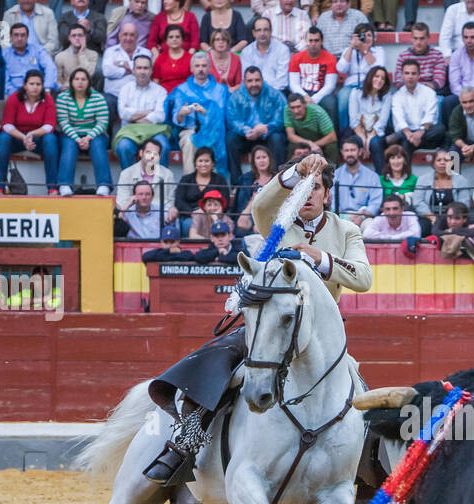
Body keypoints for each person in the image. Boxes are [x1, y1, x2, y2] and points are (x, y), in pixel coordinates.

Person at [143, 152, 372, 485]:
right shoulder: (277, 223)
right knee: (222, 364)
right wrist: (296, 171)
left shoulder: (346, 230)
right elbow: (260, 207)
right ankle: (185, 441)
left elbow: (364, 278)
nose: (309, 195)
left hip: (322, 334)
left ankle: (351, 479)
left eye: (316, 188)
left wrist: (319, 257)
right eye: (304, 190)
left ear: (327, 194)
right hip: (273, 323)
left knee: (360, 397)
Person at [0, 69, 59, 195]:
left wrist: (32, 134)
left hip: (38, 138)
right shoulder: (15, 98)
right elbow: (6, 124)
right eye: (31, 84)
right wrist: (23, 137)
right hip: (17, 137)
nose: (35, 87)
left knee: (51, 139)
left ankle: (52, 188)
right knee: (2, 138)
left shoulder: (48, 99)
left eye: (38, 84)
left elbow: (50, 126)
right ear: (25, 85)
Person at [374, 60, 444, 172]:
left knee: (440, 129)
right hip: (407, 134)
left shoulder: (429, 93)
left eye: (413, 73)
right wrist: (409, 134)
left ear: (419, 75)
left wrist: (419, 133)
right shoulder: (397, 96)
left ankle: (450, 173)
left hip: (426, 133)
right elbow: (399, 118)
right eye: (407, 73)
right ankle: (405, 178)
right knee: (405, 141)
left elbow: (430, 116)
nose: (410, 77)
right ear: (402, 75)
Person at [167, 51, 230, 175]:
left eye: (204, 66)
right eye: (197, 66)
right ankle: (191, 183)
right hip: (190, 130)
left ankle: (216, 186)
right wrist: (181, 114)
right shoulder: (182, 90)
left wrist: (207, 113)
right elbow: (176, 119)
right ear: (191, 68)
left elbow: (224, 117)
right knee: (190, 142)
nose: (200, 69)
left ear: (210, 68)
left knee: (217, 141)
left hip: (214, 131)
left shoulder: (220, 90)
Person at [56, 67, 113, 196]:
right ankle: (64, 184)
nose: (80, 82)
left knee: (98, 145)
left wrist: (87, 138)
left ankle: (104, 185)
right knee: (69, 145)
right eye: (76, 79)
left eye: (83, 79)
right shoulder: (62, 98)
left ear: (89, 82)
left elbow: (103, 123)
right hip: (70, 134)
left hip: (95, 134)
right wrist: (77, 139)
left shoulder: (98, 97)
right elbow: (63, 122)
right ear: (71, 82)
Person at [227, 66, 286, 180]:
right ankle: (237, 182)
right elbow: (232, 120)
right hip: (246, 136)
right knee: (231, 138)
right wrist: (246, 131)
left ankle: (277, 180)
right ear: (244, 82)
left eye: (257, 80)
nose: (254, 84)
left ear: (262, 80)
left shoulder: (275, 95)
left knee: (277, 138)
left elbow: (281, 118)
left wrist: (266, 127)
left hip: (267, 135)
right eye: (250, 81)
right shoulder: (236, 97)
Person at [114, 55, 171, 171]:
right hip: (130, 131)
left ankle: (157, 183)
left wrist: (133, 117)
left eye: (146, 68)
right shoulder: (125, 89)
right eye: (139, 68)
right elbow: (123, 114)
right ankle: (131, 183)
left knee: (163, 146)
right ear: (134, 70)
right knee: (123, 147)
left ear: (151, 70)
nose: (142, 72)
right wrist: (148, 112)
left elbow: (160, 115)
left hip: (154, 131)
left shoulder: (160, 91)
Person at [337, 24, 386, 130]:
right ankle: (345, 132)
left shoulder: (378, 51)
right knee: (343, 98)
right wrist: (351, 47)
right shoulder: (349, 51)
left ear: (373, 38)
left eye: (369, 35)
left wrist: (365, 50)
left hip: (370, 85)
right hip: (351, 85)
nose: (366, 38)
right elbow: (341, 68)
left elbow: (378, 69)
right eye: (363, 36)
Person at [290, 26, 340, 126]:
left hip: (321, 93)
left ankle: (334, 137)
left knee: (331, 103)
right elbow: (293, 84)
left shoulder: (330, 58)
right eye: (310, 40)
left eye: (316, 40)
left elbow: (330, 85)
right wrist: (305, 97)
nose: (313, 44)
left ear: (322, 41)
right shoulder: (296, 58)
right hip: (302, 92)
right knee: (291, 102)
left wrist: (314, 99)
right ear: (305, 41)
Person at [176, 147, 231, 236]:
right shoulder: (186, 179)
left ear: (213, 163)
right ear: (195, 163)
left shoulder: (220, 180)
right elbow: (179, 201)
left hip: (214, 214)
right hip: (190, 215)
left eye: (207, 161)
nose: (203, 164)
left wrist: (210, 212)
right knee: (188, 224)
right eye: (200, 161)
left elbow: (225, 201)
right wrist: (192, 212)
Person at [115, 137, 177, 214]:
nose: (151, 156)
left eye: (155, 154)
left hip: (158, 217)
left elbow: (170, 203)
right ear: (141, 153)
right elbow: (122, 202)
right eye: (148, 152)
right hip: (133, 217)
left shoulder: (168, 174)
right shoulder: (126, 174)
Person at [332, 136, 383, 226]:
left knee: (370, 225)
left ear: (360, 151)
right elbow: (331, 202)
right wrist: (344, 217)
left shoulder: (372, 176)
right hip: (340, 217)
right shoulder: (335, 175)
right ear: (342, 152)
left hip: (364, 216)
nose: (349, 153)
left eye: (352, 150)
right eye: (346, 150)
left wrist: (362, 216)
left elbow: (375, 203)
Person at [392, 22, 448, 94]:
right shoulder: (403, 56)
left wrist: (419, 90)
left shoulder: (437, 55)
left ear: (428, 38)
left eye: (422, 38)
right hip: (407, 93)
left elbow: (439, 81)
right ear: (411, 38)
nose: (418, 42)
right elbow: (399, 82)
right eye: (415, 38)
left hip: (430, 93)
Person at [349, 67, 393, 159]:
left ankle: (380, 173)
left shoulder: (387, 96)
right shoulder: (356, 93)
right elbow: (353, 121)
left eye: (383, 78)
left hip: (376, 132)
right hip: (359, 131)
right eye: (376, 76)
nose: (379, 80)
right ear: (370, 77)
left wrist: (369, 140)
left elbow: (382, 122)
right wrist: (364, 139)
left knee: (375, 143)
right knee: (354, 144)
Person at [242, 17, 293, 92]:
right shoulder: (246, 52)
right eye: (259, 30)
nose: (262, 33)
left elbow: (282, 82)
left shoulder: (282, 50)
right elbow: (247, 79)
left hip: (276, 94)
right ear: (253, 33)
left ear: (271, 31)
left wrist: (267, 95)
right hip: (253, 92)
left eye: (265, 30)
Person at [284, 92, 339, 162]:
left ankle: (331, 169)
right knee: (291, 146)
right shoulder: (287, 110)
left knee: (331, 146)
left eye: (298, 107)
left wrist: (314, 145)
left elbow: (332, 136)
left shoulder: (318, 112)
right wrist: (310, 144)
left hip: (320, 139)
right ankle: (289, 169)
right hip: (303, 140)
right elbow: (291, 136)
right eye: (292, 108)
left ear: (305, 104)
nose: (296, 111)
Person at [235, 144, 277, 230]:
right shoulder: (245, 179)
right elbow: (240, 205)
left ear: (269, 159)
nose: (261, 161)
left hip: (271, 216)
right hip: (249, 216)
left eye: (264, 157)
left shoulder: (277, 178)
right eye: (258, 158)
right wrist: (254, 199)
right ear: (253, 162)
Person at [103, 22, 145, 102]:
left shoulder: (145, 53)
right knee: (105, 101)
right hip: (114, 95)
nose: (128, 38)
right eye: (125, 34)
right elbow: (107, 72)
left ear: (137, 37)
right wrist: (128, 70)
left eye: (132, 35)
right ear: (119, 36)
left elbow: (145, 72)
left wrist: (121, 64)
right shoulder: (110, 51)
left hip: (138, 96)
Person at [55, 23, 100, 91]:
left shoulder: (93, 54)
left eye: (80, 35)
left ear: (85, 37)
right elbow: (58, 79)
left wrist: (81, 53)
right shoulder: (60, 56)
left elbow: (90, 74)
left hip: (87, 91)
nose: (77, 38)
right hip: (67, 91)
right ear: (69, 38)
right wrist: (61, 86)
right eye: (74, 35)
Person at [153, 24, 193, 93]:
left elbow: (193, 81)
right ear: (166, 40)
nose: (174, 39)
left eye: (177, 37)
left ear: (182, 39)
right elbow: (156, 80)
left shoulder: (190, 58)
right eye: (171, 37)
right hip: (164, 95)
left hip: (184, 95)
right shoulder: (160, 58)